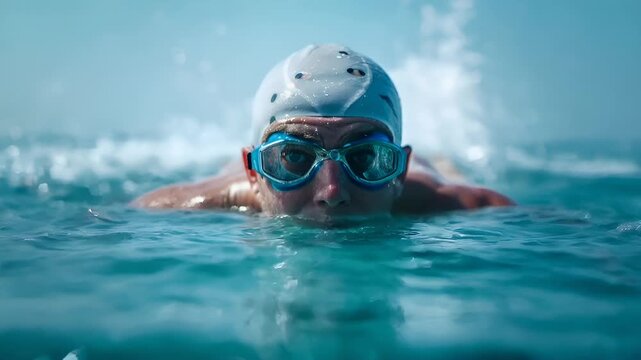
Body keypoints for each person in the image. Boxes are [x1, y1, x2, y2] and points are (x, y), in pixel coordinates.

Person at [132, 44, 513, 221]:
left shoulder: (444, 200)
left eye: (365, 157)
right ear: (254, 172)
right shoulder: (214, 199)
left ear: (398, 172)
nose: (332, 193)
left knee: (444, 166)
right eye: (294, 157)